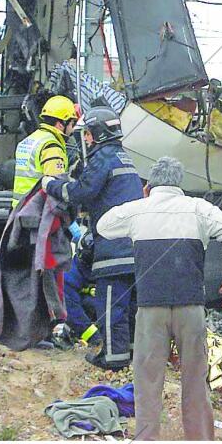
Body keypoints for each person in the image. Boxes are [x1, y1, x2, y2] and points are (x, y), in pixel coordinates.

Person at [96, 156, 222, 441]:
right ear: (180, 184)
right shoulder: (198, 209)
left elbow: (104, 225)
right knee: (195, 379)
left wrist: (141, 203)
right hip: (191, 307)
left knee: (147, 379)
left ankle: (147, 441)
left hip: (150, 308)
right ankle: (199, 442)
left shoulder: (137, 210)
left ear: (149, 185)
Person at [44, 106, 143, 370]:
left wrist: (50, 185)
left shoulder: (104, 159)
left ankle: (113, 357)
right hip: (132, 248)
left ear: (98, 134)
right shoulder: (125, 158)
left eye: (87, 134)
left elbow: (81, 192)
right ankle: (130, 352)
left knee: (111, 305)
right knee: (130, 306)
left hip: (113, 249)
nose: (85, 139)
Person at [11, 95, 79, 209]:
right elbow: (56, 187)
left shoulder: (30, 140)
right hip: (37, 211)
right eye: (72, 124)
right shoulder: (51, 147)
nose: (72, 129)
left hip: (20, 207)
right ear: (61, 124)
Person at [61, 230, 102, 347]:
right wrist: (94, 337)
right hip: (82, 323)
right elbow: (71, 311)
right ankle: (72, 336)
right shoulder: (70, 275)